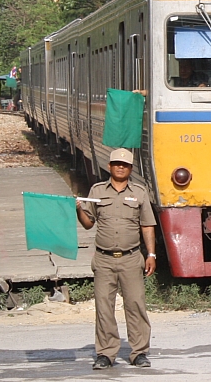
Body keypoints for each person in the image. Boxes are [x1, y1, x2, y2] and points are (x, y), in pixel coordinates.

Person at [76, 148, 157, 370]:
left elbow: (147, 226)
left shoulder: (139, 193)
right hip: (104, 259)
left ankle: (139, 352)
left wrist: (151, 254)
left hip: (131, 258)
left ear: (131, 169)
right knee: (104, 307)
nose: (120, 167)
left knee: (135, 305)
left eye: (125, 164)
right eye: (116, 163)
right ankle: (105, 353)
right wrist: (78, 210)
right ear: (110, 166)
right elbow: (88, 223)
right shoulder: (97, 190)